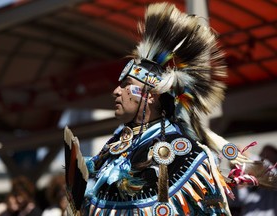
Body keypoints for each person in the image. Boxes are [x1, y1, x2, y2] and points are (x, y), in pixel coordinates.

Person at [64, 2, 277, 215]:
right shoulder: (112, 149)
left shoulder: (185, 155)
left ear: (150, 95)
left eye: (126, 84)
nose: (116, 91)